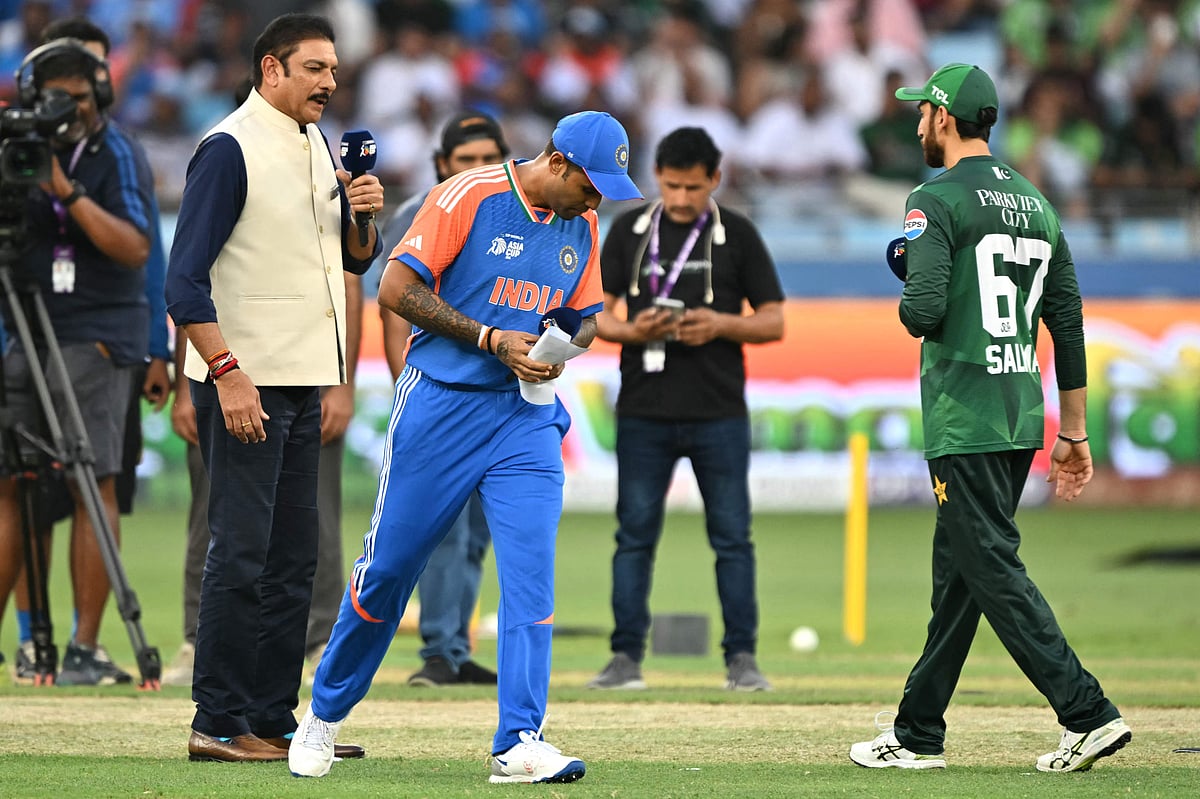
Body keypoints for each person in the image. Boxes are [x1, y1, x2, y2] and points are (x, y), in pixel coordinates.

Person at [288, 109, 642, 784]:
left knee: (531, 574)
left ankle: (519, 739)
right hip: (440, 406)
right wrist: (489, 339)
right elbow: (395, 287)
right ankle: (324, 715)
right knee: (389, 569)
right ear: (559, 163)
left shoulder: (584, 225)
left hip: (526, 417)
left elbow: (588, 315)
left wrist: (561, 345)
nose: (597, 200)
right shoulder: (468, 195)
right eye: (592, 185)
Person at [848, 63, 1131, 773]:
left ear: (945, 118)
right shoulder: (1036, 202)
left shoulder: (932, 197)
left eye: (923, 112)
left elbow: (923, 311)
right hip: (1019, 412)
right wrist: (1074, 431)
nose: (917, 123)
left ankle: (1087, 711)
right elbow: (1066, 321)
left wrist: (907, 262)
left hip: (964, 412)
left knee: (990, 567)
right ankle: (917, 733)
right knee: (962, 577)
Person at [164, 13, 381, 763]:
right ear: (270, 70)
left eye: (333, 69)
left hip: (301, 380)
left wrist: (361, 219)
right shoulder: (228, 148)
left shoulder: (317, 145)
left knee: (296, 558)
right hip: (246, 383)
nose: (328, 81)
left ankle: (270, 717)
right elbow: (182, 282)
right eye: (313, 68)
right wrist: (227, 374)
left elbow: (346, 268)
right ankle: (217, 720)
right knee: (243, 551)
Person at [587, 126, 785, 693]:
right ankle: (624, 658)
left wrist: (721, 325)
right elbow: (598, 316)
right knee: (633, 535)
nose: (678, 199)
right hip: (644, 410)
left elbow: (774, 320)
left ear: (715, 180)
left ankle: (742, 659)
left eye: (692, 188)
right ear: (657, 178)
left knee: (732, 537)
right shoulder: (630, 230)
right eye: (670, 186)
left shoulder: (738, 234)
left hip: (718, 411)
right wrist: (633, 329)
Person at [7, 14, 174, 689]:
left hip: (97, 333)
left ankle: (82, 644)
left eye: (78, 95)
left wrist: (64, 190)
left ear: (100, 94)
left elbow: (137, 248)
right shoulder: (14, 147)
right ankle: (26, 644)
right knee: (14, 490)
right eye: (52, 96)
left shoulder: (116, 154)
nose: (66, 109)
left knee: (91, 483)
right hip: (23, 328)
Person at [378, 109, 510, 688]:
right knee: (444, 529)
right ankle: (435, 649)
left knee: (477, 532)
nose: (478, 171)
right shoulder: (424, 213)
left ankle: (456, 647)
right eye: (466, 161)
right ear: (441, 166)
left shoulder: (520, 214)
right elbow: (394, 305)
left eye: (489, 160)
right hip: (441, 392)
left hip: (497, 396)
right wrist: (409, 387)